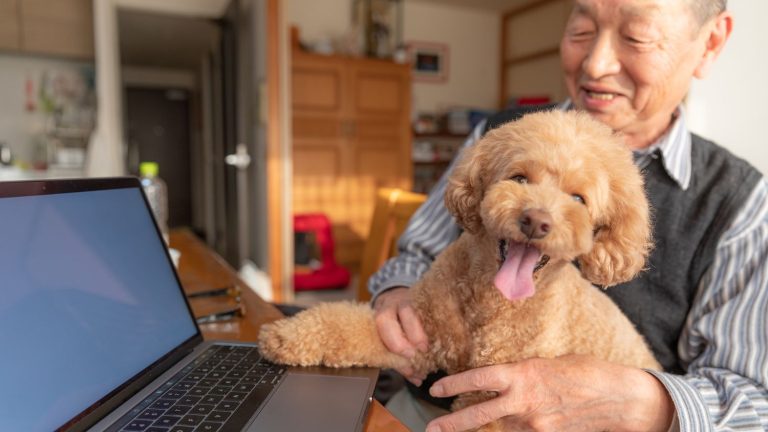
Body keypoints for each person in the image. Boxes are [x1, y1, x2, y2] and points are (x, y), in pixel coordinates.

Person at [368, 0, 768, 430]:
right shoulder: (501, 136)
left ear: (710, 43)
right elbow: (416, 254)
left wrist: (644, 403)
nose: (595, 65)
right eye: (580, 30)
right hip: (431, 406)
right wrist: (398, 294)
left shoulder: (739, 201)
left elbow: (753, 401)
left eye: (637, 37)